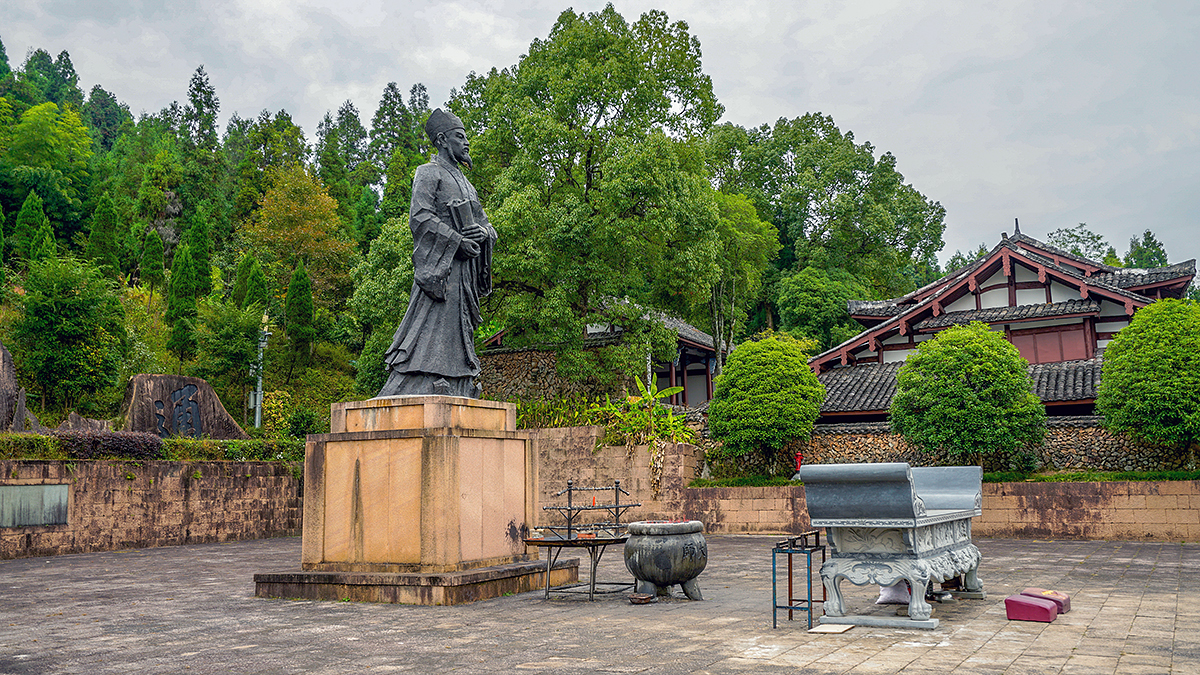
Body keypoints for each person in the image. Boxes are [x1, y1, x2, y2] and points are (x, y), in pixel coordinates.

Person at [376, 109, 496, 398]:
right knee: (431, 323)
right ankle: (422, 379)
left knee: (460, 326)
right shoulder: (428, 173)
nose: (466, 143)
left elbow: (485, 223)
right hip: (442, 269)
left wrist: (485, 234)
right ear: (442, 139)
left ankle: (460, 382)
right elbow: (419, 217)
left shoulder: (467, 183)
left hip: (464, 271)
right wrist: (455, 241)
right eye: (460, 136)